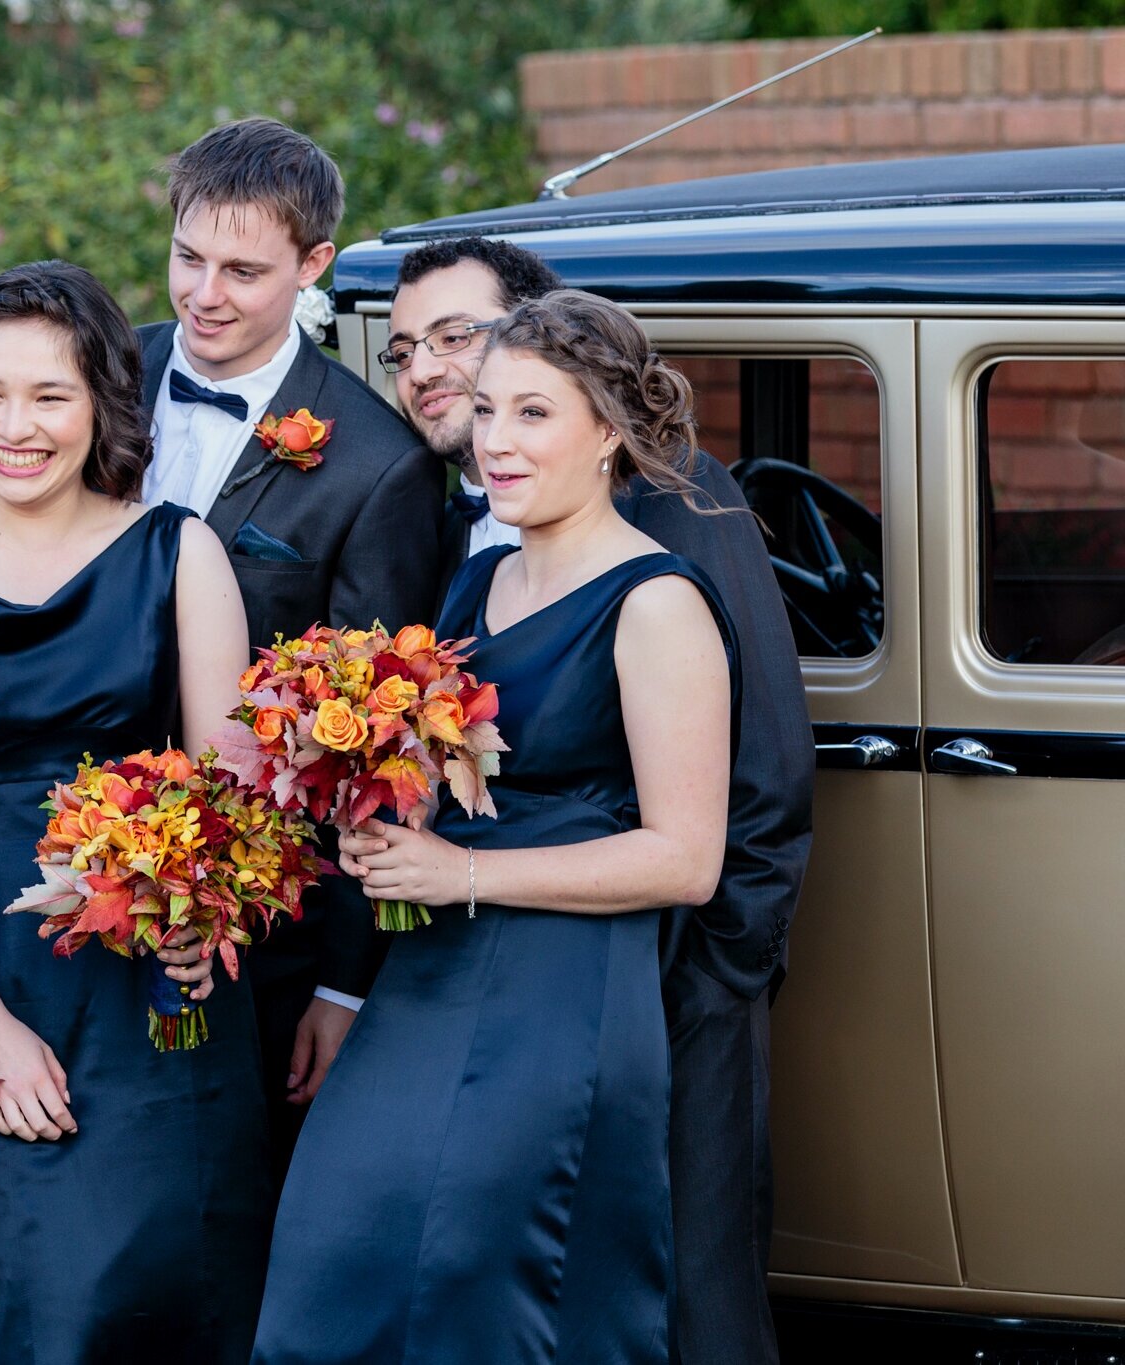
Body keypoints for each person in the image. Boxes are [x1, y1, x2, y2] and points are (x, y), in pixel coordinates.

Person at [254, 290, 739, 1364]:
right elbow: (458, 782)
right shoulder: (479, 578)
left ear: (607, 428)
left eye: (532, 414)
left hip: (557, 997)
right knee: (336, 1249)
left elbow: (686, 857)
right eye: (485, 413)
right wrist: (359, 787)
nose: (493, 442)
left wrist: (457, 875)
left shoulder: (655, 604)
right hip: (432, 969)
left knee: (485, 1284)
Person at [385, 236, 814, 1365]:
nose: (432, 373)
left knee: (677, 1276)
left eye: (457, 338)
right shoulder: (465, 548)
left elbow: (760, 765)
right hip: (492, 970)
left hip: (665, 972)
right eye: (408, 350)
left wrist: (714, 970)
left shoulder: (676, 514)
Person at [0, 261, 272, 1364]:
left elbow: (223, 795)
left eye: (51, 396)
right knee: (31, 1309)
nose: (15, 426)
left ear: (102, 407)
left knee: (181, 1296)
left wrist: (201, 913)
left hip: (154, 1001)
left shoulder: (182, 552)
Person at [138, 118, 452, 1170]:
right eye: (187, 257)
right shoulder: (93, 384)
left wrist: (340, 981)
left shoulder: (377, 465)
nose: (203, 294)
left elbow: (382, 758)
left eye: (242, 269)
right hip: (67, 868)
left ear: (314, 264)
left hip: (262, 920)